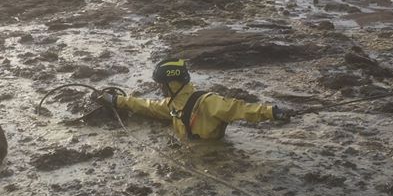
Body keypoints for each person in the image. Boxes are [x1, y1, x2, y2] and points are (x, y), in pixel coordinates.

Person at [93, 57, 292, 140]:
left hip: (214, 158)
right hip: (191, 152)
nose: (159, 89)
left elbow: (239, 109)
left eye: (161, 85)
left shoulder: (207, 103)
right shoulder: (173, 105)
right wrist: (116, 101)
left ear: (172, 84)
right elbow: (147, 106)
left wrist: (272, 112)